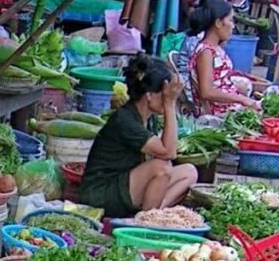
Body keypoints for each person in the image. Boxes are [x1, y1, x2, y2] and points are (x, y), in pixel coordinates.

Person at [79, 54, 197, 218]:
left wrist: (169, 103)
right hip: (101, 194)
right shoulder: (124, 120)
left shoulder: (148, 118)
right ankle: (146, 222)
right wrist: (169, 105)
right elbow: (169, 152)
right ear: (149, 95)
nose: (168, 98)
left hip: (125, 184)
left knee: (189, 172)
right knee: (161, 167)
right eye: (164, 94)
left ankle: (154, 214)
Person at [189, 0, 263, 116]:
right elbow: (206, 92)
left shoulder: (215, 47)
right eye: (230, 20)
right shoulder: (206, 52)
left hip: (230, 106)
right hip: (220, 113)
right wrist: (242, 99)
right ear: (218, 23)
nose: (233, 26)